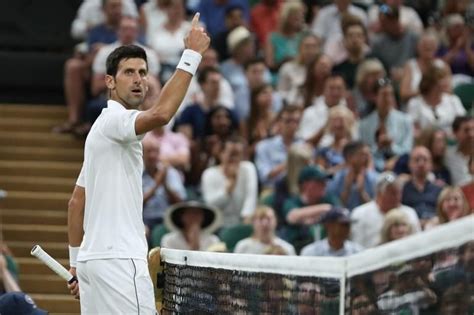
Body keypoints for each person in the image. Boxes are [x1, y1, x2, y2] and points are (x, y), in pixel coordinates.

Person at [67, 14, 210, 313]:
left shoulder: (99, 130)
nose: (138, 79)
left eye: (142, 73)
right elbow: (160, 115)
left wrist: (76, 263)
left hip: (94, 263)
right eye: (128, 72)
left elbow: (76, 201)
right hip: (120, 262)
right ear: (109, 81)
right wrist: (192, 55)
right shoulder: (117, 121)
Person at [350, 172, 421, 248]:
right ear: (379, 193)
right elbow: (356, 245)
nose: (396, 197)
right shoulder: (360, 214)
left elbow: (418, 243)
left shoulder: (409, 213)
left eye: (398, 192)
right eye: (392, 193)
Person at [201, 136, 258, 227]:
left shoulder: (248, 168)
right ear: (221, 154)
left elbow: (251, 198)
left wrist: (245, 220)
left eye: (238, 154)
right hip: (219, 225)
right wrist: (227, 191)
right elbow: (210, 205)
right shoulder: (209, 174)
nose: (234, 158)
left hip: (244, 221)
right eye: (231, 154)